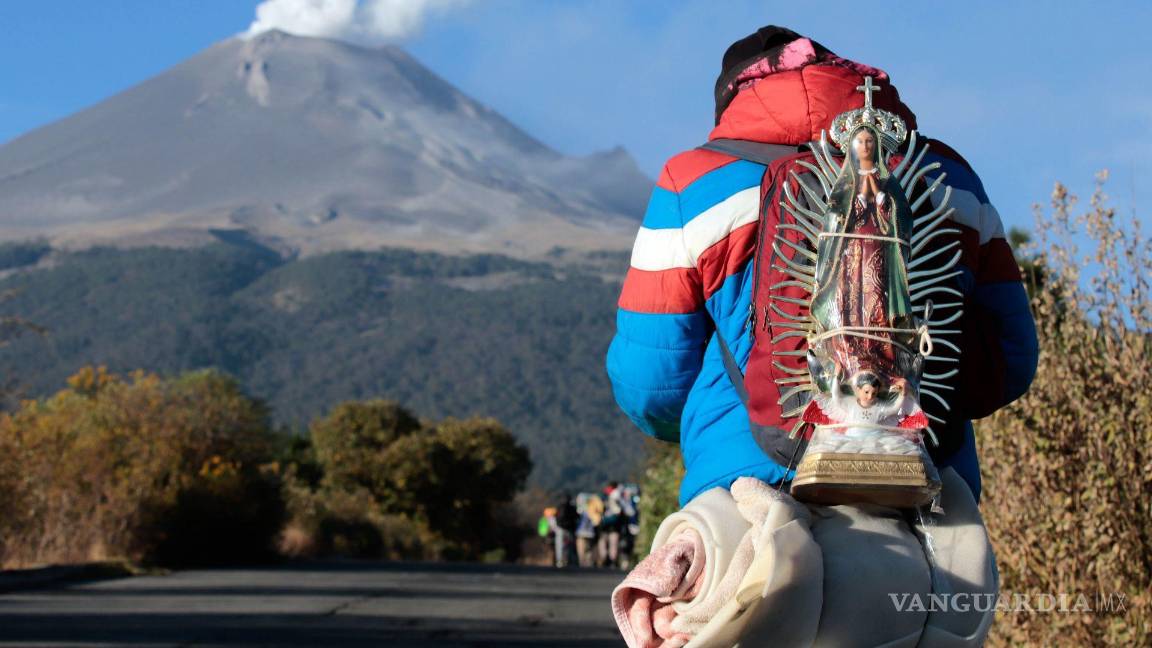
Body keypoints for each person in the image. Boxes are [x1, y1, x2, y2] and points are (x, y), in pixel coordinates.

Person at [605, 25, 1038, 508]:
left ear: (732, 101)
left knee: (672, 579)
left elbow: (650, 383)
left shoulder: (692, 182)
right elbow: (1008, 361)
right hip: (925, 479)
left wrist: (701, 418)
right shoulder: (948, 176)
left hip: (748, 482)